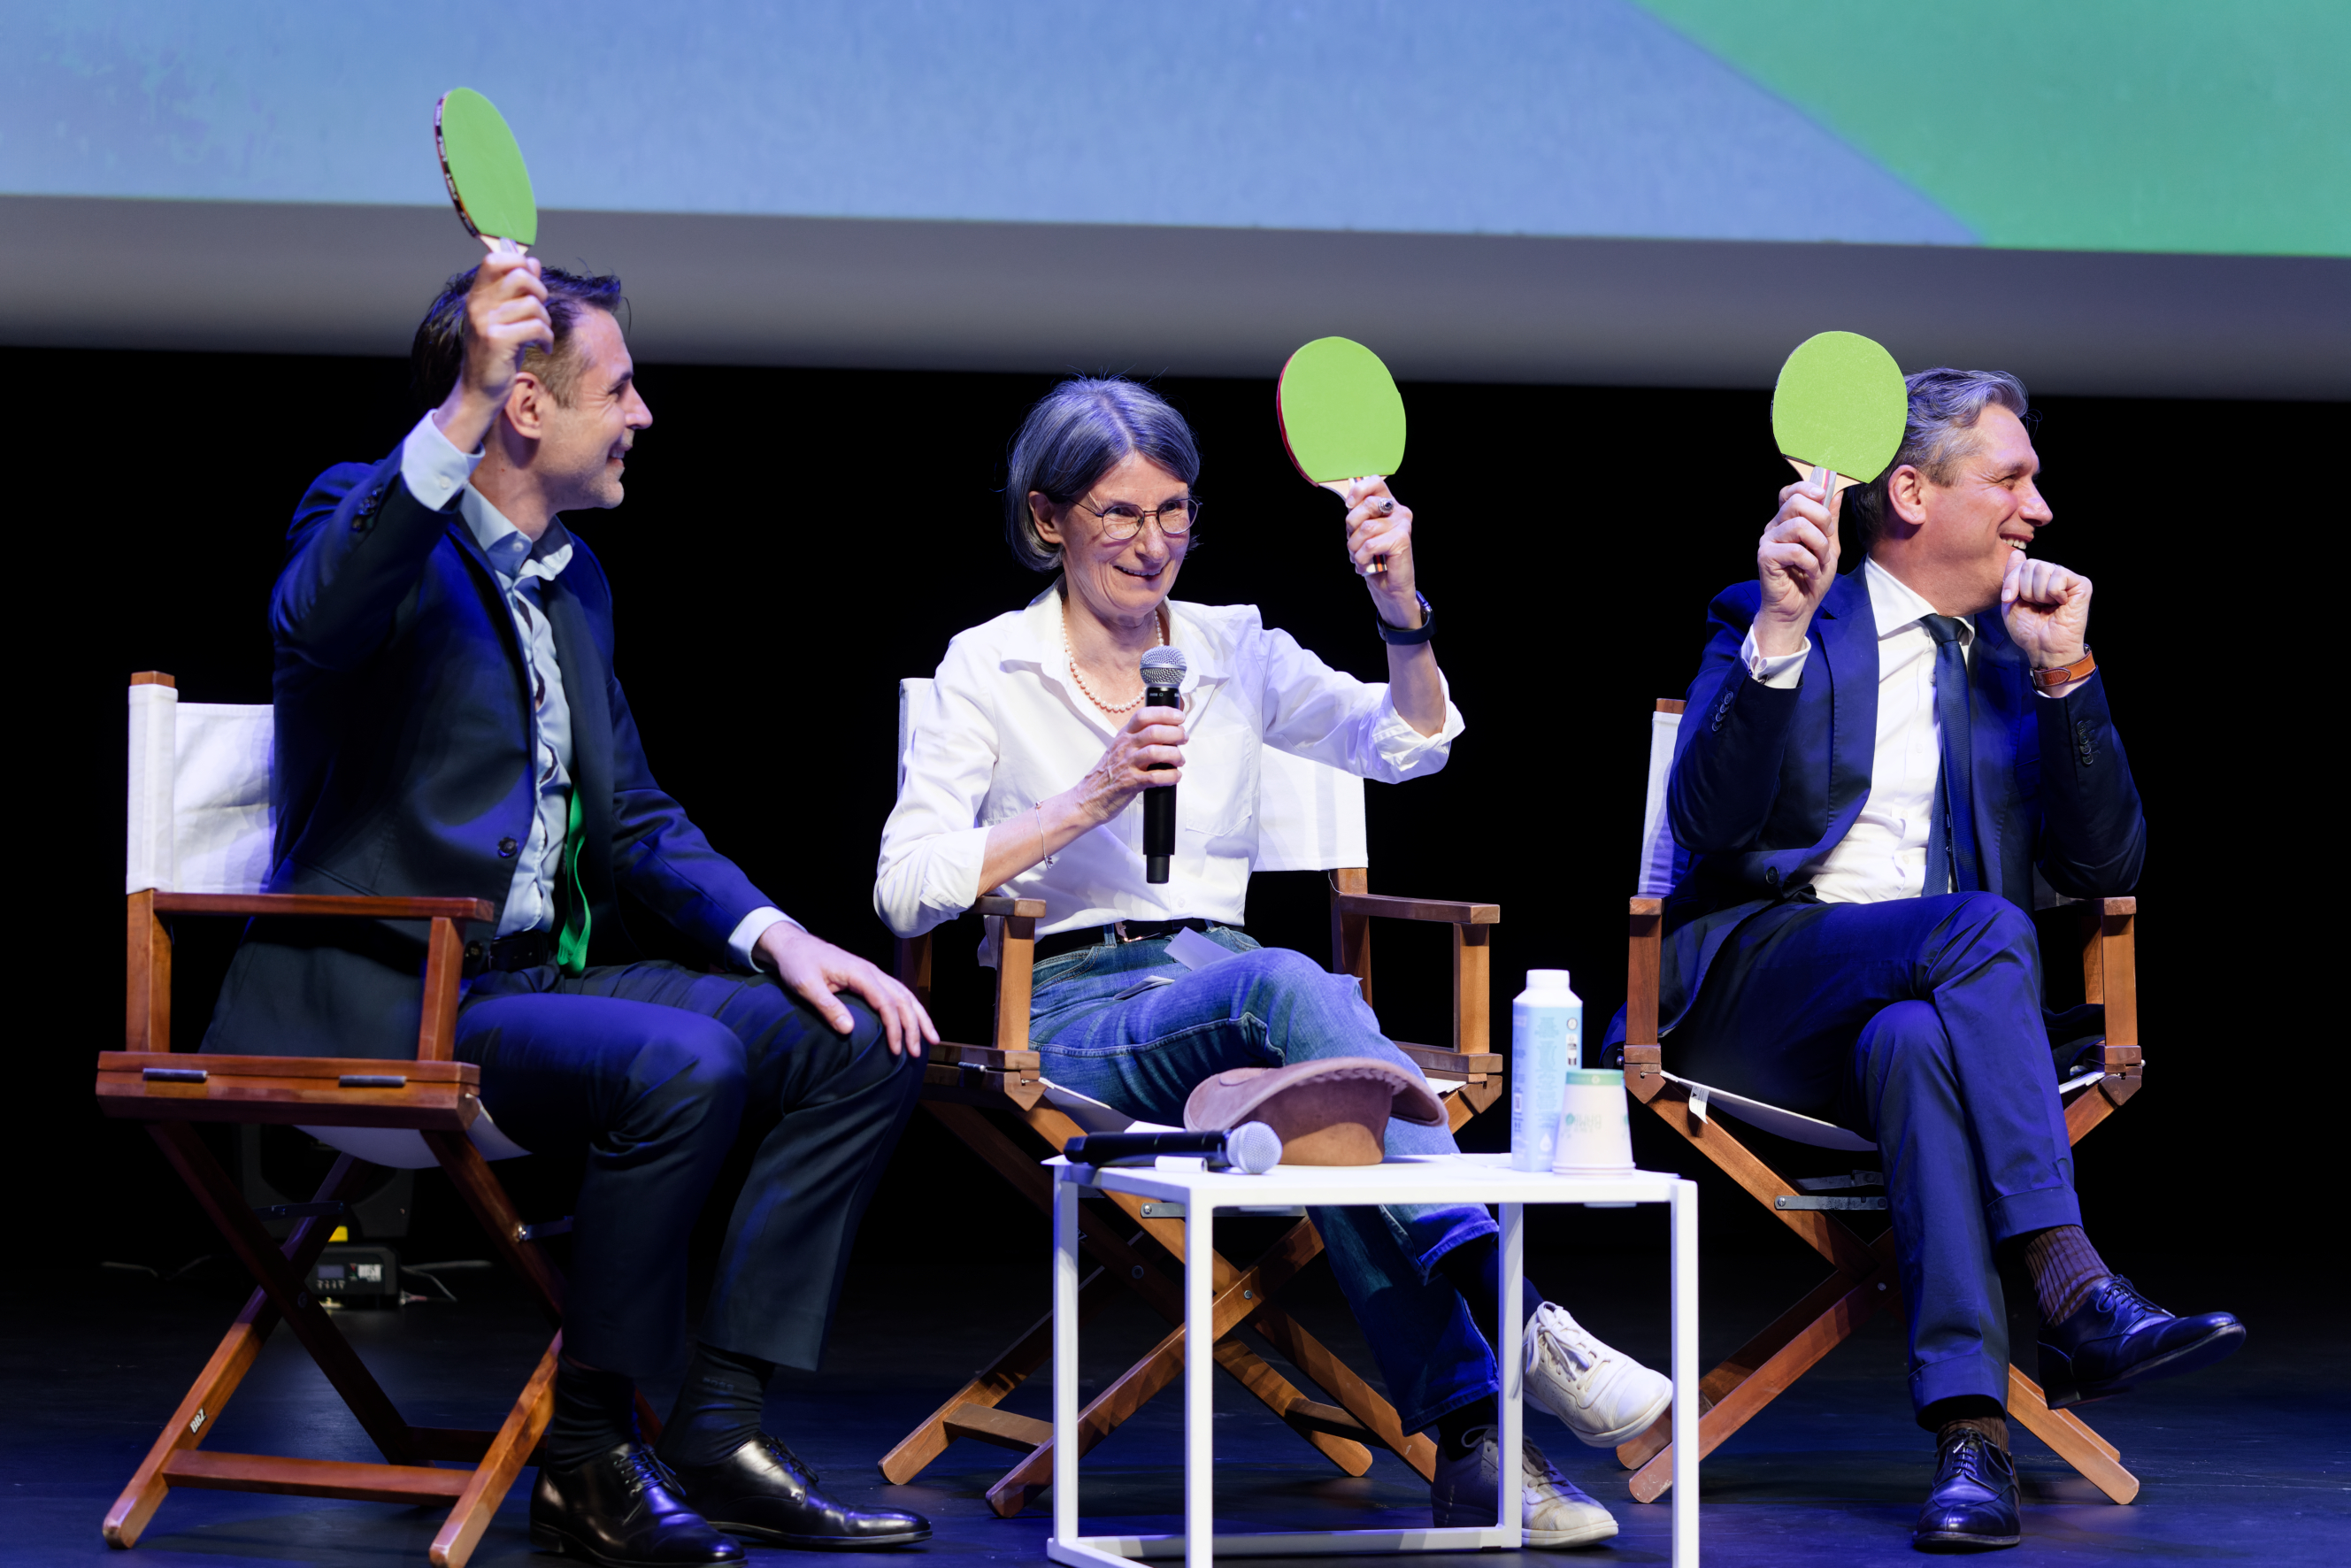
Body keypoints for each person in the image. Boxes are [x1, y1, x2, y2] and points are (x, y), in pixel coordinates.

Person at [203, 250, 938, 1566]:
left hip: (528, 988)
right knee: (684, 1063)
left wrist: (787, 937)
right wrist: (457, 408)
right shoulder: (367, 523)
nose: (643, 416)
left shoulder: (575, 580)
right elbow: (314, 626)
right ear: (528, 408)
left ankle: (715, 1432)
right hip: (385, 1001)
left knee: (855, 1039)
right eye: (621, 389)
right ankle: (589, 1457)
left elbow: (639, 820)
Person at [876, 377, 1671, 1549]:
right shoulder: (986, 668)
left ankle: (1476, 1451)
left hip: (1235, 993)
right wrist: (1089, 793)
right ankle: (1523, 1317)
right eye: (1120, 516)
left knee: (1329, 1102)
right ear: (1048, 519)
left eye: (1174, 514)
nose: (1153, 547)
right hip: (1072, 998)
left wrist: (1397, 606)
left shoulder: (1231, 645)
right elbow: (904, 883)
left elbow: (1405, 745)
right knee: (1301, 990)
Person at [1613, 368, 2243, 1551]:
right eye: (2010, 479)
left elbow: (2112, 862)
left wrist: (2064, 673)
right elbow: (1699, 822)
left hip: (1923, 1020)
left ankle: (1970, 1442)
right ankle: (2068, 1277)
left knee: (1912, 1041)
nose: (2037, 509)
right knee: (1982, 927)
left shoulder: (2014, 659)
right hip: (1757, 994)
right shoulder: (1780, 613)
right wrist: (1780, 630)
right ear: (1908, 492)